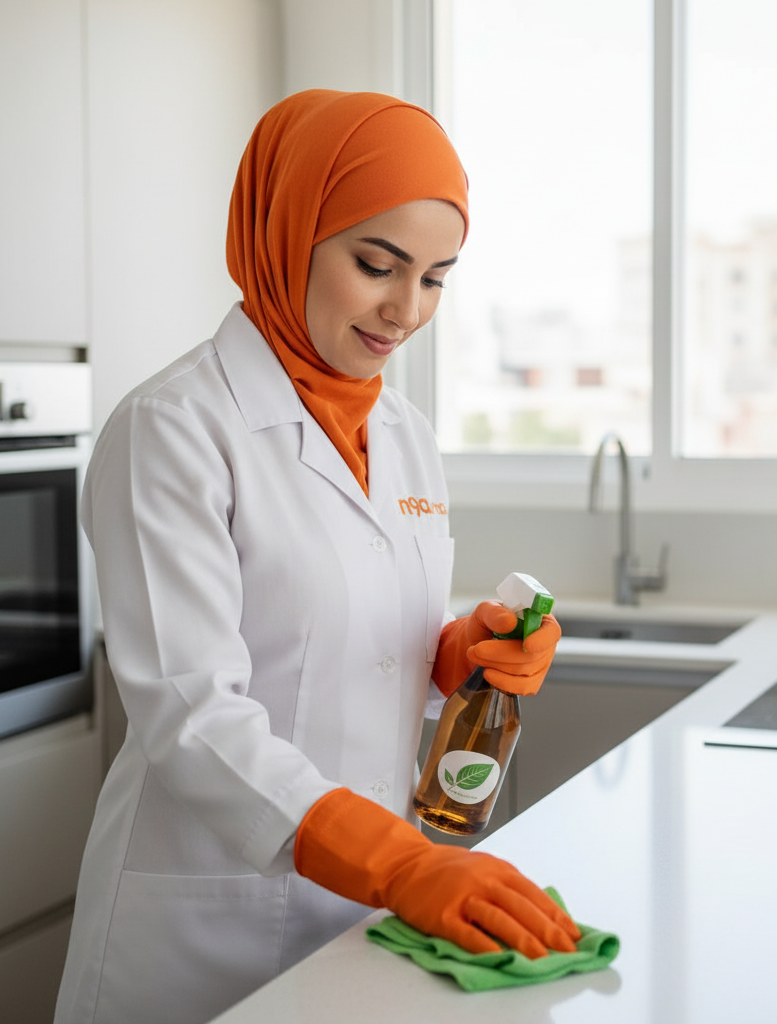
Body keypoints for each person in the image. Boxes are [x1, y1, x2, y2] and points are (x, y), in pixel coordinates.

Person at [55, 90, 579, 1024]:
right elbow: (191, 709)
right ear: (287, 231)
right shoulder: (172, 428)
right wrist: (403, 860)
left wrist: (459, 658)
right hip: (196, 934)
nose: (405, 309)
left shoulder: (405, 433)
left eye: (435, 278)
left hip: (355, 920)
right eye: (376, 264)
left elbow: (365, 648)